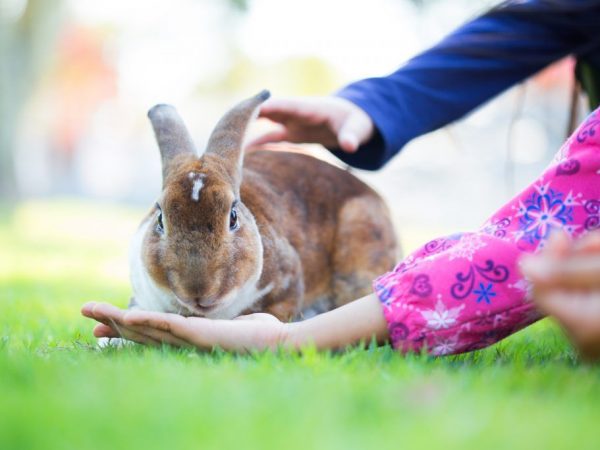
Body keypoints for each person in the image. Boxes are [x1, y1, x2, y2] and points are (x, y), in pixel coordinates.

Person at [82, 0, 600, 357]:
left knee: (359, 228)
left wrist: (290, 337)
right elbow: (546, 19)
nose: (199, 283)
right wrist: (374, 106)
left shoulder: (269, 254)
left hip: (341, 243)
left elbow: (523, 255)